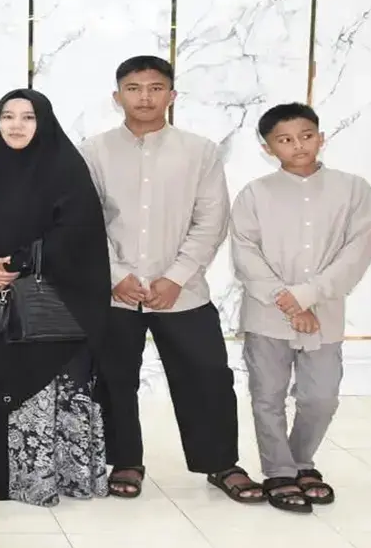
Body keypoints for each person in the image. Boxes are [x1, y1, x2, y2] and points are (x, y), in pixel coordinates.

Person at [80, 56, 264, 504]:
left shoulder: (199, 151)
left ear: (172, 95)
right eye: (134, 88)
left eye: (155, 88)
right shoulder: (93, 151)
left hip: (183, 292)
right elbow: (84, 221)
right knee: (112, 380)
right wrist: (115, 275)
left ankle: (221, 463)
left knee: (207, 377)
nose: (145, 97)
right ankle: (124, 460)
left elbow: (211, 220)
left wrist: (177, 276)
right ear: (117, 96)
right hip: (115, 293)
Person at [0, 88, 110, 507]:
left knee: (45, 383)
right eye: (7, 116)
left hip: (53, 301)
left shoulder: (66, 169)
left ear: (44, 122)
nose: (16, 125)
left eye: (28, 117)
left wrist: (18, 263)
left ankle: (53, 476)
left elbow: (77, 231)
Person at [230, 102, 371, 513]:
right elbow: (245, 254)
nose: (298, 146)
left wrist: (308, 296)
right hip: (267, 314)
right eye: (285, 140)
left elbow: (358, 251)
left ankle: (300, 461)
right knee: (268, 397)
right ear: (268, 148)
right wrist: (289, 302)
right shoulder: (255, 194)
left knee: (321, 397)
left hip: (324, 314)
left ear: (321, 137)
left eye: (306, 136)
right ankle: (280, 472)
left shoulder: (354, 189)